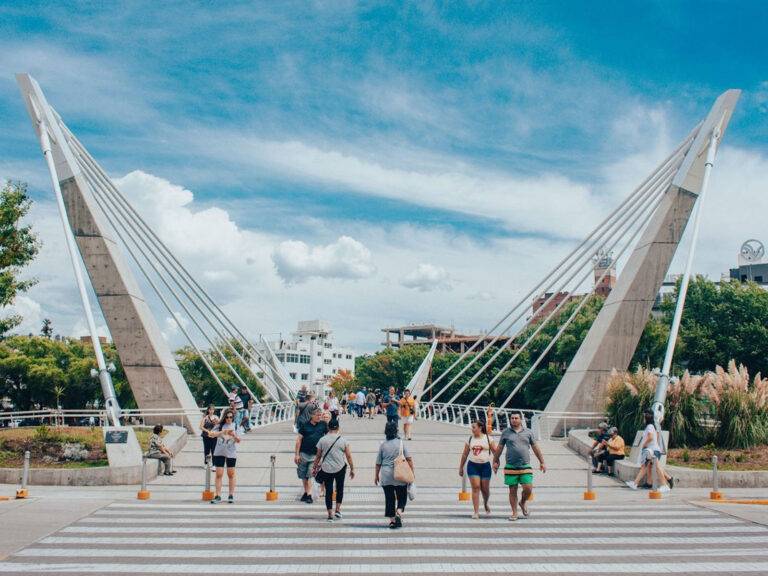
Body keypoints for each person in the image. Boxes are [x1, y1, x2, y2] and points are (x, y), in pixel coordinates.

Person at [492, 411, 546, 521]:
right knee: (512, 490)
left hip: (525, 465)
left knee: (528, 488)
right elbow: (500, 447)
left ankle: (522, 502)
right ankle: (514, 512)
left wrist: (542, 462)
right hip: (510, 466)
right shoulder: (506, 432)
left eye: (516, 418)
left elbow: (535, 447)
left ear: (520, 419)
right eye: (512, 418)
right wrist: (495, 461)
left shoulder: (528, 432)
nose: (514, 420)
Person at [313, 418, 355, 522]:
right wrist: (352, 468)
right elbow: (348, 456)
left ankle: (330, 515)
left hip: (326, 468)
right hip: (340, 467)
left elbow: (318, 456)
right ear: (338, 428)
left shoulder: (322, 440)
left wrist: (314, 467)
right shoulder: (343, 440)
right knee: (339, 488)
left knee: (329, 490)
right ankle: (338, 509)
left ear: (328, 427)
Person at [375, 421, 414, 529]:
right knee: (402, 495)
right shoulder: (401, 443)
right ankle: (399, 511)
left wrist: (376, 475)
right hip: (400, 474)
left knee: (389, 498)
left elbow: (378, 463)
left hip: (386, 476)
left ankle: (392, 521)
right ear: (397, 431)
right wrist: (412, 473)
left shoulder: (383, 445)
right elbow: (409, 459)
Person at [626, 411, 673, 491]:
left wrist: (644, 444)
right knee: (645, 467)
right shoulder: (651, 426)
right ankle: (635, 483)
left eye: (644, 418)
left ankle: (664, 485)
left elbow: (651, 437)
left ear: (646, 419)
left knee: (656, 467)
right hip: (652, 450)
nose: (643, 420)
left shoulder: (649, 427)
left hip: (653, 450)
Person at [459, 419, 496, 518]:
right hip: (473, 465)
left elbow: (495, 452)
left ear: (480, 428)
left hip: (485, 466)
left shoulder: (488, 439)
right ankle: (476, 511)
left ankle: (485, 502)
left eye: (474, 427)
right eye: (472, 427)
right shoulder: (470, 439)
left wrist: (496, 463)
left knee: (485, 490)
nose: (472, 429)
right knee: (476, 488)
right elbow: (464, 454)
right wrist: (461, 467)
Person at [207, 408, 241, 503]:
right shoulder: (220, 425)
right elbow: (210, 434)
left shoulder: (236, 426)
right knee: (219, 474)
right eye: (227, 417)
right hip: (219, 452)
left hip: (231, 453)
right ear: (224, 417)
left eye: (230, 417)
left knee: (231, 474)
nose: (229, 419)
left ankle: (231, 494)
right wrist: (222, 432)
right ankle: (218, 495)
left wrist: (234, 435)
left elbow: (239, 440)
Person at [295, 408, 328, 503]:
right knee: (303, 475)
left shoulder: (323, 425)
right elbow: (299, 440)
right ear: (312, 415)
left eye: (320, 415)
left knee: (310, 474)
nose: (319, 417)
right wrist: (296, 454)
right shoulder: (305, 426)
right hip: (303, 453)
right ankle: (306, 492)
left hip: (315, 455)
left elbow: (328, 436)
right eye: (317, 415)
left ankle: (309, 495)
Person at [199, 404, 219, 468]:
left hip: (214, 436)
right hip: (206, 436)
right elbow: (201, 427)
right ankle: (206, 463)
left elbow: (219, 425)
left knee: (214, 450)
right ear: (208, 410)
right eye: (210, 409)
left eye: (213, 409)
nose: (212, 411)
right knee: (207, 450)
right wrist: (207, 431)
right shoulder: (205, 417)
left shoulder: (216, 417)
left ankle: (214, 464)